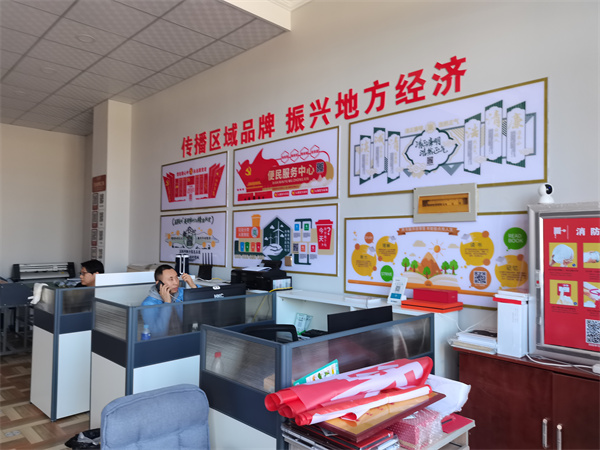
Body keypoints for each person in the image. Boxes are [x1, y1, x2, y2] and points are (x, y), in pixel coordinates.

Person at [141, 265, 197, 338]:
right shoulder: (148, 304)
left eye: (176, 278)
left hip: (184, 338)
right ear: (159, 284)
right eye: (171, 279)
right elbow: (157, 334)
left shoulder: (181, 293)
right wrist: (167, 302)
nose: (176, 283)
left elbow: (204, 304)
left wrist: (193, 286)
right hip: (161, 343)